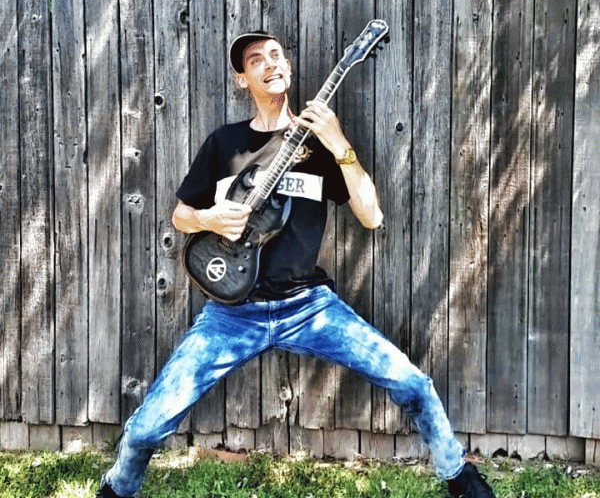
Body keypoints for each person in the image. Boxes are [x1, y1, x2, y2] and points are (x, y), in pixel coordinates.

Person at [97, 30, 495, 498]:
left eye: (276, 55)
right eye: (255, 60)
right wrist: (209, 218)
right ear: (243, 80)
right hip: (232, 313)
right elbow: (181, 216)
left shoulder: (320, 145)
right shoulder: (225, 144)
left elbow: (372, 216)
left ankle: (458, 474)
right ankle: (116, 488)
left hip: (309, 306)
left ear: (287, 66)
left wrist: (338, 142)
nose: (270, 63)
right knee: (147, 427)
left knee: (412, 382)